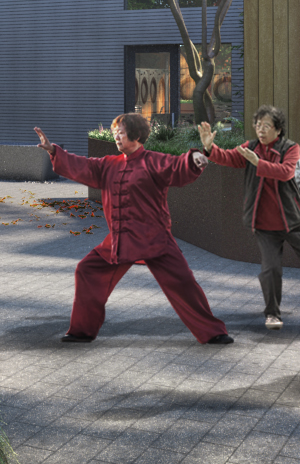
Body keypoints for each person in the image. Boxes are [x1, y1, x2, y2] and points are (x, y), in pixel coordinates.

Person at [35, 115, 233, 345]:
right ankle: (81, 331)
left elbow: (178, 165)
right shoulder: (108, 164)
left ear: (137, 135)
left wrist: (198, 157)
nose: (116, 136)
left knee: (183, 283)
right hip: (119, 240)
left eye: (121, 132)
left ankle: (213, 332)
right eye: (114, 133)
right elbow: (82, 165)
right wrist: (53, 151)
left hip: (154, 238)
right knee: (87, 270)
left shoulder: (154, 161)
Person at [198, 107, 300, 329]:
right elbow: (228, 157)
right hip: (264, 224)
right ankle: (272, 314)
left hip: (293, 220)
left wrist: (257, 162)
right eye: (258, 125)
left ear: (278, 129)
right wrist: (210, 147)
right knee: (270, 270)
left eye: (266, 126)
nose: (261, 130)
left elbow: (287, 172)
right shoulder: (250, 148)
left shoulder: (291, 148)